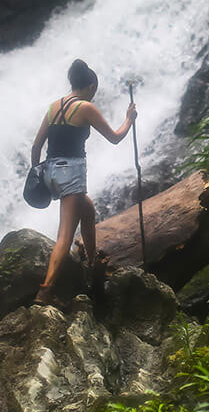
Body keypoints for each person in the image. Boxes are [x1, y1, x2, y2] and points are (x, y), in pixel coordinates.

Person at [28, 59, 135, 307]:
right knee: (65, 235)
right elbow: (115, 137)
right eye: (94, 91)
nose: (94, 95)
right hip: (71, 174)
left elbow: (36, 146)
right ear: (90, 86)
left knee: (87, 209)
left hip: (49, 172)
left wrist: (37, 173)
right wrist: (129, 119)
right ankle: (45, 291)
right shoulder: (86, 107)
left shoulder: (54, 106)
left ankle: (91, 264)